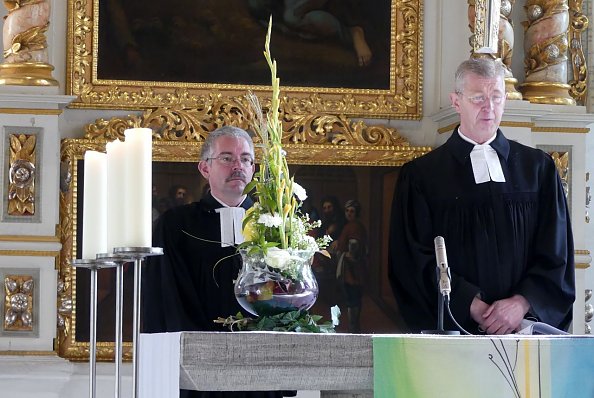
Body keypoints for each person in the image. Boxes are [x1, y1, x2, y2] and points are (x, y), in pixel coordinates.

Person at [388, 57, 575, 335]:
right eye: (478, 98)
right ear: (456, 102)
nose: (489, 108)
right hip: (455, 330)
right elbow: (412, 260)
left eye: (496, 97)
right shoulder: (421, 176)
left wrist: (521, 303)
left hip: (525, 328)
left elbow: (556, 252)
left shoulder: (538, 169)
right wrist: (471, 306)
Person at [142, 126, 287, 398]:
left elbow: (284, 295)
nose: (238, 166)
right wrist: (202, 356)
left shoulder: (276, 226)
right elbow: (166, 296)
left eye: (246, 159)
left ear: (254, 169)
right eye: (227, 157)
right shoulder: (175, 225)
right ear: (204, 168)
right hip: (197, 369)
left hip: (260, 367)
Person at [333, 199, 368, 333]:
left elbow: (355, 244)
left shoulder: (354, 226)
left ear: (356, 213)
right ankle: (353, 326)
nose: (349, 213)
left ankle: (353, 326)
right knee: (352, 297)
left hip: (353, 269)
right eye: (347, 211)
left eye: (352, 211)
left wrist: (350, 254)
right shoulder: (350, 225)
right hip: (351, 268)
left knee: (353, 298)